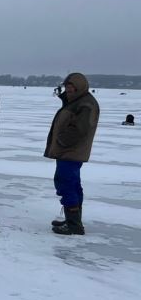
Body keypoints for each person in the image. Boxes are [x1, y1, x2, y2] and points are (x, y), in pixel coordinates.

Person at [47, 72, 100, 236]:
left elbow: (79, 129)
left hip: (71, 151)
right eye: (67, 88)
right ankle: (73, 220)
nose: (68, 91)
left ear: (80, 88)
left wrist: (62, 141)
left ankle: (74, 225)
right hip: (68, 151)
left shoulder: (85, 105)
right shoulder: (76, 101)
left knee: (66, 183)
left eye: (71, 89)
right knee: (73, 184)